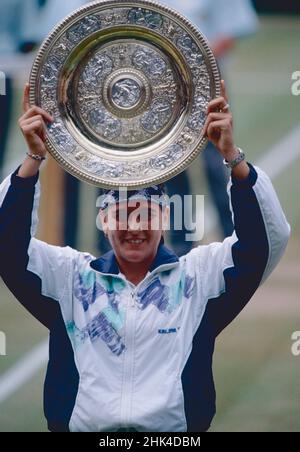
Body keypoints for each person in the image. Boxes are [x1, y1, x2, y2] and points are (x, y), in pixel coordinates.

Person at [0, 81, 290, 432]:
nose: (134, 226)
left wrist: (233, 157)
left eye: (145, 214)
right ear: (104, 222)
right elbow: (7, 245)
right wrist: (33, 159)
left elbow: (266, 241)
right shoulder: (69, 279)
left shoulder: (199, 279)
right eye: (121, 214)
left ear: (164, 218)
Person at [163, 0, 259, 254]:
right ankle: (181, 246)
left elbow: (231, 31)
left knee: (217, 165)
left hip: (207, 87)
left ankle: (235, 237)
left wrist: (193, 64)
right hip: (165, 90)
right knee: (171, 169)